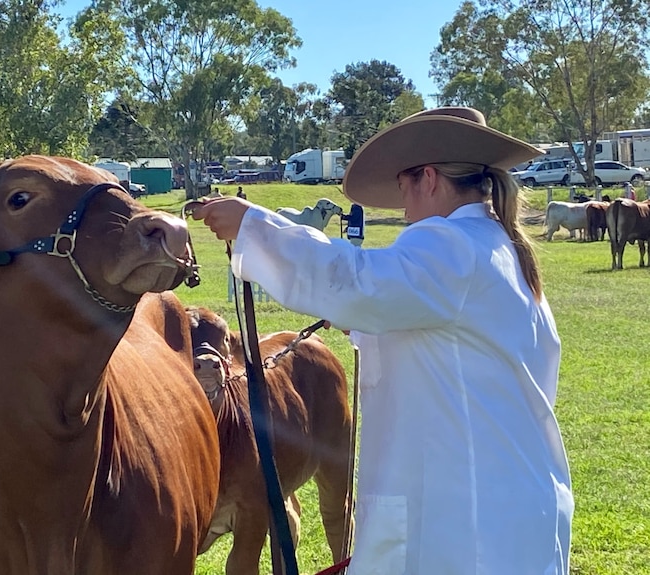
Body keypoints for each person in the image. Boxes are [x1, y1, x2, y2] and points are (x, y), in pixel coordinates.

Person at [191, 107, 573, 575]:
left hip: (464, 527)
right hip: (505, 515)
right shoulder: (496, 250)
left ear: (427, 178)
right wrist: (369, 326)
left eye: (403, 187)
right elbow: (452, 350)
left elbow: (357, 281)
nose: (404, 207)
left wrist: (253, 225)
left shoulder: (450, 243)